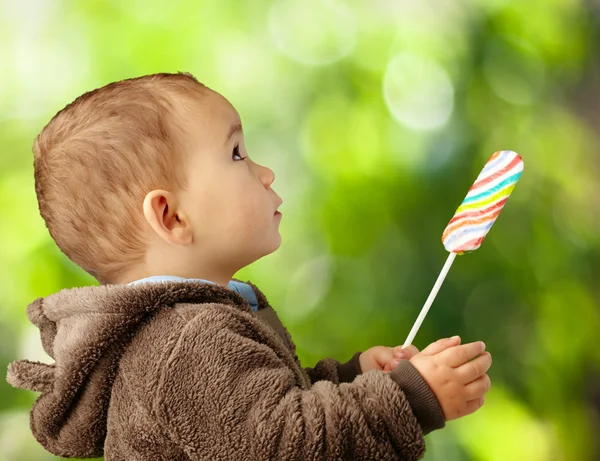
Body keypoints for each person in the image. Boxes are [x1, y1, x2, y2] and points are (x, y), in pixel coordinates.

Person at [6, 73, 492, 460]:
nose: (265, 172)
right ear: (171, 217)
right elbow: (288, 447)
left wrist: (352, 377)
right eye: (237, 153)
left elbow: (269, 413)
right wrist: (410, 397)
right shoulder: (188, 341)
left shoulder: (191, 329)